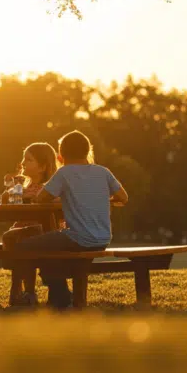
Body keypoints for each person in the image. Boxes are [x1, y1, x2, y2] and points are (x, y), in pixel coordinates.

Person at [15, 130, 129, 309]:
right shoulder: (103, 172)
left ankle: (59, 293)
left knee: (26, 246)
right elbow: (123, 197)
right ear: (87, 152)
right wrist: (98, 198)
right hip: (103, 238)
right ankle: (58, 295)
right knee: (50, 245)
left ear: (61, 155)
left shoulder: (65, 173)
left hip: (78, 238)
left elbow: (40, 198)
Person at [1, 142, 59, 306]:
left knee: (16, 238)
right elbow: (8, 200)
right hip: (22, 230)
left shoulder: (47, 188)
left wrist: (18, 193)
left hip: (43, 231)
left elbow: (43, 198)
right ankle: (22, 290)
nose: (23, 163)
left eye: (29, 160)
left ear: (42, 167)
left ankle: (25, 291)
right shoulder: (25, 186)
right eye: (23, 159)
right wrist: (9, 190)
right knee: (13, 237)